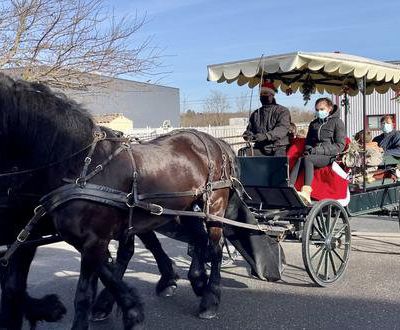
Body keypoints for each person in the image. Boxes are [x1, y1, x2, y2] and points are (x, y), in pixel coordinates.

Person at [289, 97, 346, 204]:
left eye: (322, 109)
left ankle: (306, 192)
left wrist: (319, 150)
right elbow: (309, 141)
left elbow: (340, 145)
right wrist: (309, 149)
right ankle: (290, 188)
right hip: (314, 153)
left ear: (330, 108)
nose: (319, 112)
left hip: (329, 155)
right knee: (301, 158)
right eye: (317, 109)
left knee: (308, 159)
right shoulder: (314, 124)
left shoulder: (337, 122)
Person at [242, 81, 291, 156]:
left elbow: (282, 128)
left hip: (278, 147)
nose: (263, 96)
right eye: (261, 94)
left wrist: (266, 136)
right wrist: (248, 135)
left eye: (266, 94)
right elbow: (251, 130)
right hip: (260, 147)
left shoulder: (282, 111)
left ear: (272, 95)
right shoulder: (255, 114)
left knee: (277, 162)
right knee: (243, 153)